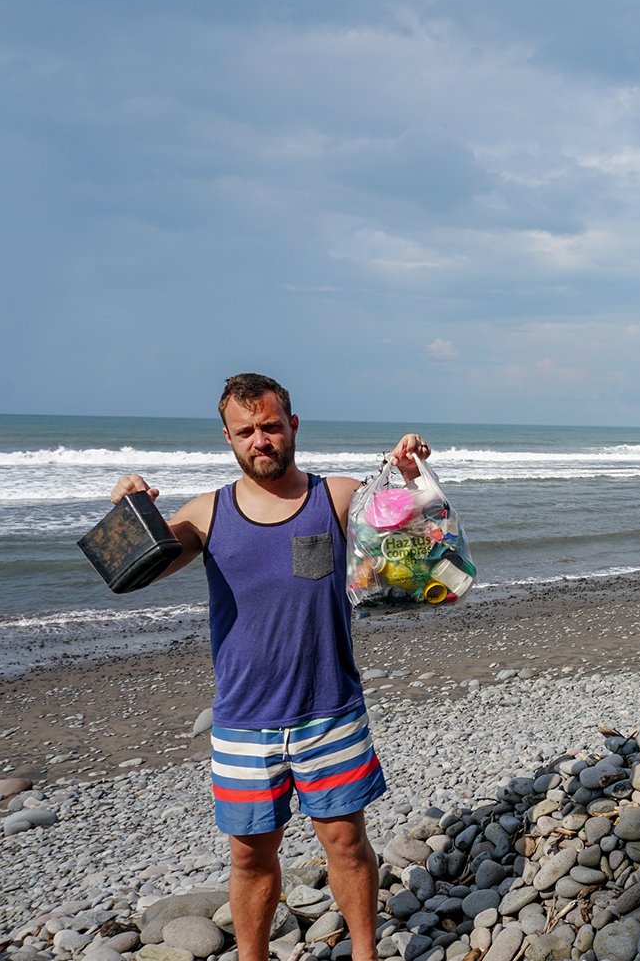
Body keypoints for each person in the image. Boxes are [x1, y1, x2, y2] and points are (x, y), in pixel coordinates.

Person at [110, 373, 428, 961]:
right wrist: (132, 510)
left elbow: (412, 541)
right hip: (242, 721)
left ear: (293, 426)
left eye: (272, 426)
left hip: (330, 708)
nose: (261, 439)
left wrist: (406, 475)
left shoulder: (336, 497)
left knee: (347, 844)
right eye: (246, 430)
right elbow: (136, 572)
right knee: (250, 855)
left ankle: (365, 954)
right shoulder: (208, 513)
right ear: (228, 439)